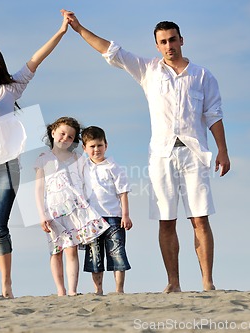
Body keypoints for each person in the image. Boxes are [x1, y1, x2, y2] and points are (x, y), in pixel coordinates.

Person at [63, 10, 231, 292]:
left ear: (182, 40)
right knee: (166, 220)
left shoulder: (202, 76)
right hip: (161, 156)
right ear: (157, 46)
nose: (169, 46)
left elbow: (213, 115)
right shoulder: (148, 70)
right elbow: (111, 51)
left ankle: (207, 282)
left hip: (194, 153)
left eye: (173, 40)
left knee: (200, 218)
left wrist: (223, 151)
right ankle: (173, 282)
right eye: (163, 42)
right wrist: (80, 29)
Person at [0, 13, 70, 299]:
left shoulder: (10, 89)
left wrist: (62, 30)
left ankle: (6, 286)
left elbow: (35, 59)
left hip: (7, 167)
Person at [34, 117, 110, 296]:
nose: (65, 138)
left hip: (75, 210)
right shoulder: (43, 159)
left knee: (71, 249)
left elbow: (87, 183)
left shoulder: (78, 158)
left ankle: (73, 290)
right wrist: (41, 214)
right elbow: (38, 189)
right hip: (52, 212)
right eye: (62, 134)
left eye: (70, 136)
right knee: (56, 251)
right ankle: (60, 290)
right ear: (53, 133)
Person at [81, 126, 133, 295]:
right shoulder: (83, 167)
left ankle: (119, 289)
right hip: (92, 219)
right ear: (85, 148)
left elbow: (123, 192)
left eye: (99, 145)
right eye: (92, 146)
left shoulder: (113, 166)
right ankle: (99, 290)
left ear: (106, 145)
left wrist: (125, 215)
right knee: (94, 255)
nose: (96, 149)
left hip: (114, 218)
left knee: (117, 253)